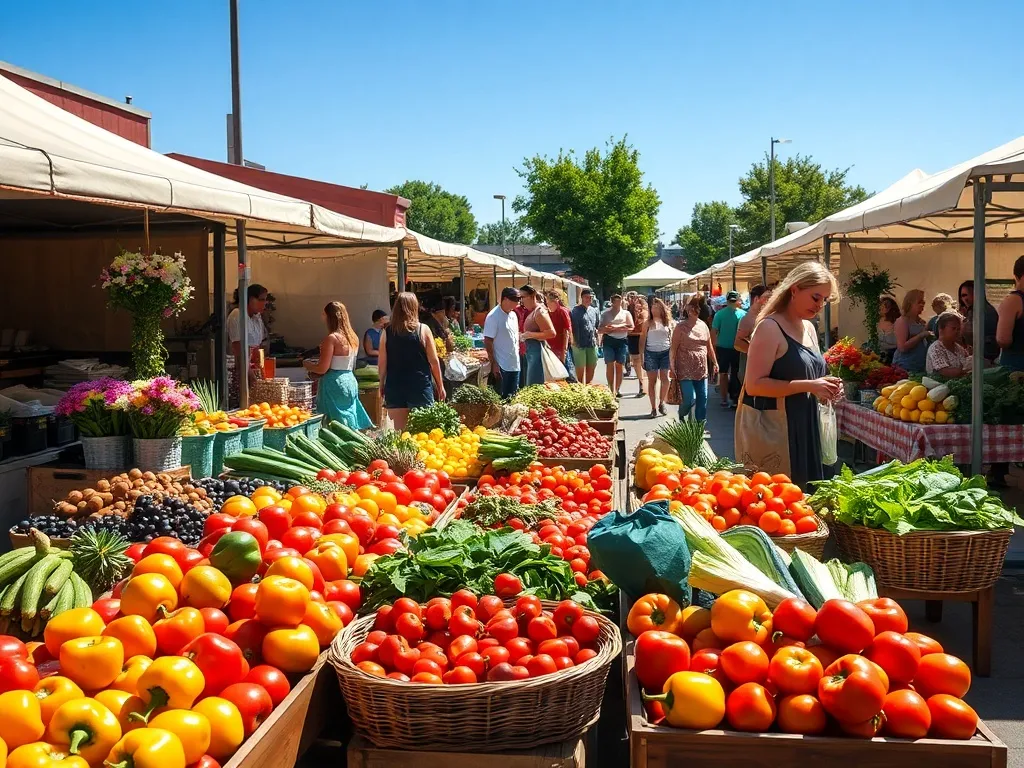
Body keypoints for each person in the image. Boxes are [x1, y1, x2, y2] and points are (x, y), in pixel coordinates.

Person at [736, 261, 843, 490]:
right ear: (794, 290)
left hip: (807, 425)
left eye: (824, 300)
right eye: (816, 297)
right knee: (784, 503)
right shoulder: (769, 327)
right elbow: (754, 385)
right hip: (780, 429)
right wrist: (809, 385)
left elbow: (813, 375)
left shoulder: (809, 328)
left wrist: (828, 387)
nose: (820, 305)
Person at [378, 292, 445, 431]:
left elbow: (382, 362)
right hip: (419, 386)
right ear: (414, 307)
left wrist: (381, 383)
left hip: (395, 386)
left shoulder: (387, 331)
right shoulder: (422, 330)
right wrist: (440, 385)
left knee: (400, 433)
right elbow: (434, 362)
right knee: (424, 434)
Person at [304, 302, 373, 430]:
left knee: (333, 422)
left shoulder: (332, 338)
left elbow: (322, 368)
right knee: (349, 417)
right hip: (350, 380)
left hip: (334, 382)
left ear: (330, 317)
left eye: (324, 314)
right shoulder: (353, 338)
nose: (322, 317)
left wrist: (308, 365)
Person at [671, 297, 718, 424]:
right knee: (689, 398)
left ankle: (699, 426)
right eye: (691, 307)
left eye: (697, 307)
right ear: (686, 309)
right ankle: (682, 414)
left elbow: (709, 347)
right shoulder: (680, 327)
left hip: (701, 369)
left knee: (703, 398)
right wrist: (672, 366)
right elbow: (673, 348)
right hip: (684, 368)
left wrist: (715, 362)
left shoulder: (703, 326)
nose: (694, 310)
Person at [483, 287, 522, 399]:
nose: (518, 303)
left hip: (514, 363)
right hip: (502, 365)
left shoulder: (513, 315)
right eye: (515, 300)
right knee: (501, 399)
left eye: (519, 299)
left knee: (512, 397)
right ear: (505, 299)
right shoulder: (493, 316)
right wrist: (494, 363)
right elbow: (488, 340)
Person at [711, 291, 746, 408]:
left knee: (724, 373)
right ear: (737, 300)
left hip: (723, 347)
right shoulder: (743, 314)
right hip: (738, 348)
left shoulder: (719, 314)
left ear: (727, 300)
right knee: (736, 373)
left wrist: (714, 348)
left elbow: (714, 332)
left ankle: (724, 399)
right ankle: (736, 399)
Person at [640, 297, 674, 417]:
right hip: (650, 352)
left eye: (657, 307)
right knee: (652, 381)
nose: (654, 310)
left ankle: (661, 402)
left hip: (665, 351)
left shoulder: (668, 322)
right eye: (653, 308)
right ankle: (653, 408)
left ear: (662, 309)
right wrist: (642, 356)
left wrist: (673, 355)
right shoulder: (647, 323)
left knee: (665, 379)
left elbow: (672, 339)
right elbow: (642, 340)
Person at [734, 285, 771, 390]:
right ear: (756, 299)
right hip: (750, 374)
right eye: (767, 297)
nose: (770, 301)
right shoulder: (747, 319)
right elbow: (737, 343)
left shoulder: (763, 317)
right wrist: (757, 352)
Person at [519, 285, 556, 386]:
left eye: (523, 297)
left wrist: (529, 334)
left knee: (534, 386)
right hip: (531, 353)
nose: (521, 301)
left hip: (537, 354)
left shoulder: (539, 312)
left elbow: (551, 333)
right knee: (531, 386)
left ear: (532, 296)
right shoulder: (533, 311)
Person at [599, 294, 634, 396]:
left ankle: (617, 389)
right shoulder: (605, 314)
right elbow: (600, 329)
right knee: (610, 364)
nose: (618, 303)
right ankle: (611, 388)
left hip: (622, 341)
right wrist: (611, 328)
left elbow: (631, 327)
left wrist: (617, 327)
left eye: (619, 301)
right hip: (609, 340)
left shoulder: (626, 313)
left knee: (619, 365)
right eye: (615, 301)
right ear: (612, 302)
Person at [959, 280, 1000, 363]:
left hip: (983, 357)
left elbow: (970, 333)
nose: (965, 299)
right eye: (962, 296)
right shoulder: (981, 309)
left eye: (967, 295)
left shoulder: (981, 311)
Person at [996, 255, 1024, 372]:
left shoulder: (1013, 300)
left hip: (1016, 362)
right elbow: (1003, 339)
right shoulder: (1014, 300)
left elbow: (1003, 339)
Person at [893, 290, 930, 374]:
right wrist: (921, 336)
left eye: (923, 302)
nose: (922, 305)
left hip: (919, 365)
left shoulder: (920, 321)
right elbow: (902, 347)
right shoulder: (902, 321)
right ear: (910, 303)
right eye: (919, 302)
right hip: (905, 366)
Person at [570, 288, 601, 384]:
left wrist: (598, 340)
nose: (589, 300)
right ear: (582, 298)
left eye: (590, 298)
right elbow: (571, 327)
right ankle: (580, 387)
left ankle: (588, 387)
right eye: (586, 297)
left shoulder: (594, 311)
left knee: (592, 366)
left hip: (591, 343)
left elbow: (597, 326)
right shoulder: (575, 311)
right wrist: (573, 340)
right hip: (579, 343)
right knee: (580, 368)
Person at [926, 312, 971, 378]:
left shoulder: (959, 348)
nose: (957, 331)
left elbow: (967, 361)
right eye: (953, 328)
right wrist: (965, 370)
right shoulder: (935, 348)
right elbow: (946, 372)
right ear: (941, 329)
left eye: (958, 329)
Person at [544, 290, 575, 381]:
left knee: (567, 372)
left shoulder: (562, 311)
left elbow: (567, 331)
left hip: (561, 347)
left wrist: (564, 351)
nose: (547, 303)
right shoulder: (548, 312)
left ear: (555, 301)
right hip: (551, 347)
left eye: (548, 301)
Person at [626, 293, 648, 393]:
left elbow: (645, 321)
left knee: (643, 361)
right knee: (636, 361)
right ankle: (641, 382)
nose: (632, 299)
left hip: (643, 337)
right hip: (632, 337)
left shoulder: (644, 311)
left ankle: (643, 383)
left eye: (633, 297)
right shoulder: (628, 310)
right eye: (630, 297)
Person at [877, 297, 900, 364]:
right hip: (879, 355)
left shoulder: (897, 322)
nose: (880, 308)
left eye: (885, 306)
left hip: (894, 355)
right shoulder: (876, 321)